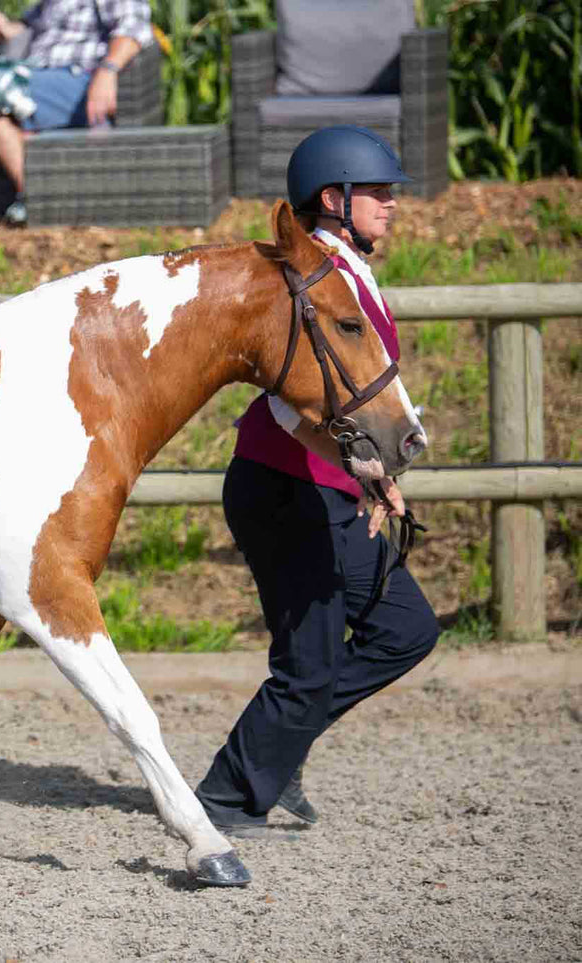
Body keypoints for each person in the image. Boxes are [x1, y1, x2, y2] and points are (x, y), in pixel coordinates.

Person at [195, 125, 440, 836]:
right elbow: (285, 398)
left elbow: (358, 389)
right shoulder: (304, 278)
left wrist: (375, 472)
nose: (391, 204)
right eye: (377, 192)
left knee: (404, 628)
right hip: (283, 489)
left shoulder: (347, 270)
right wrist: (362, 469)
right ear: (333, 199)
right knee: (306, 667)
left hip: (331, 487)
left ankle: (279, 746)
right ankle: (223, 802)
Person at [0, 1, 152, 225]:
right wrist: (7, 29)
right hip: (38, 74)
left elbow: (134, 29)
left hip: (80, 78)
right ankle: (42, 190)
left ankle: (38, 195)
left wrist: (108, 71)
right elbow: (32, 28)